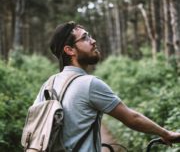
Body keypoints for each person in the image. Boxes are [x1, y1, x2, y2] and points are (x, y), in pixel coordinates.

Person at [34, 21, 180, 152]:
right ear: (70, 50)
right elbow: (132, 119)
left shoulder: (47, 85)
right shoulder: (89, 83)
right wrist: (167, 134)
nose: (93, 41)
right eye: (85, 37)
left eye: (89, 36)